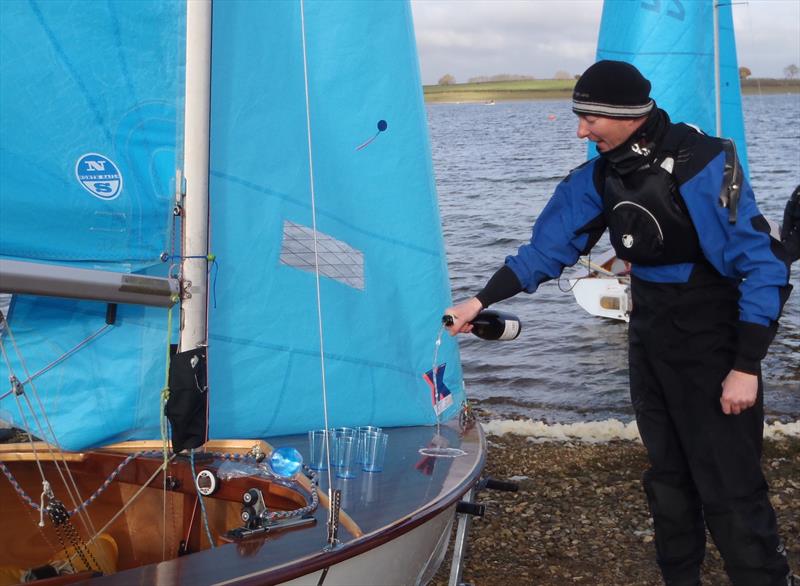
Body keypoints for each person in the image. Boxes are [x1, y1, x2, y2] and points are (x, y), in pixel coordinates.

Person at [444, 60, 794, 585]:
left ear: (627, 115)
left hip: (711, 338)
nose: (581, 130)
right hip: (650, 334)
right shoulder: (600, 176)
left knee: (729, 484)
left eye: (589, 118)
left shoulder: (702, 161)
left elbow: (763, 265)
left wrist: (746, 365)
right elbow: (546, 250)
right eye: (578, 116)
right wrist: (478, 299)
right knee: (668, 478)